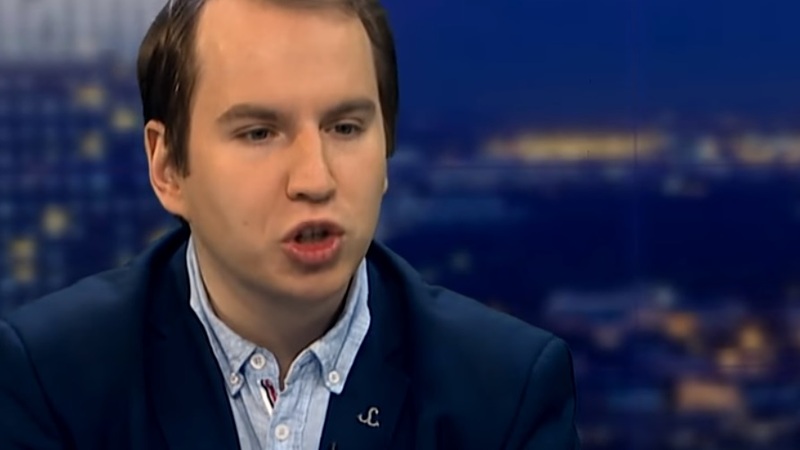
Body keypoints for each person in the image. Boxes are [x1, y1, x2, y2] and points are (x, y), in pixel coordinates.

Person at [0, 0, 580, 448]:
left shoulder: (507, 393)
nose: (315, 179)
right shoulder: (51, 380)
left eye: (345, 128)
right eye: (259, 133)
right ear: (168, 166)